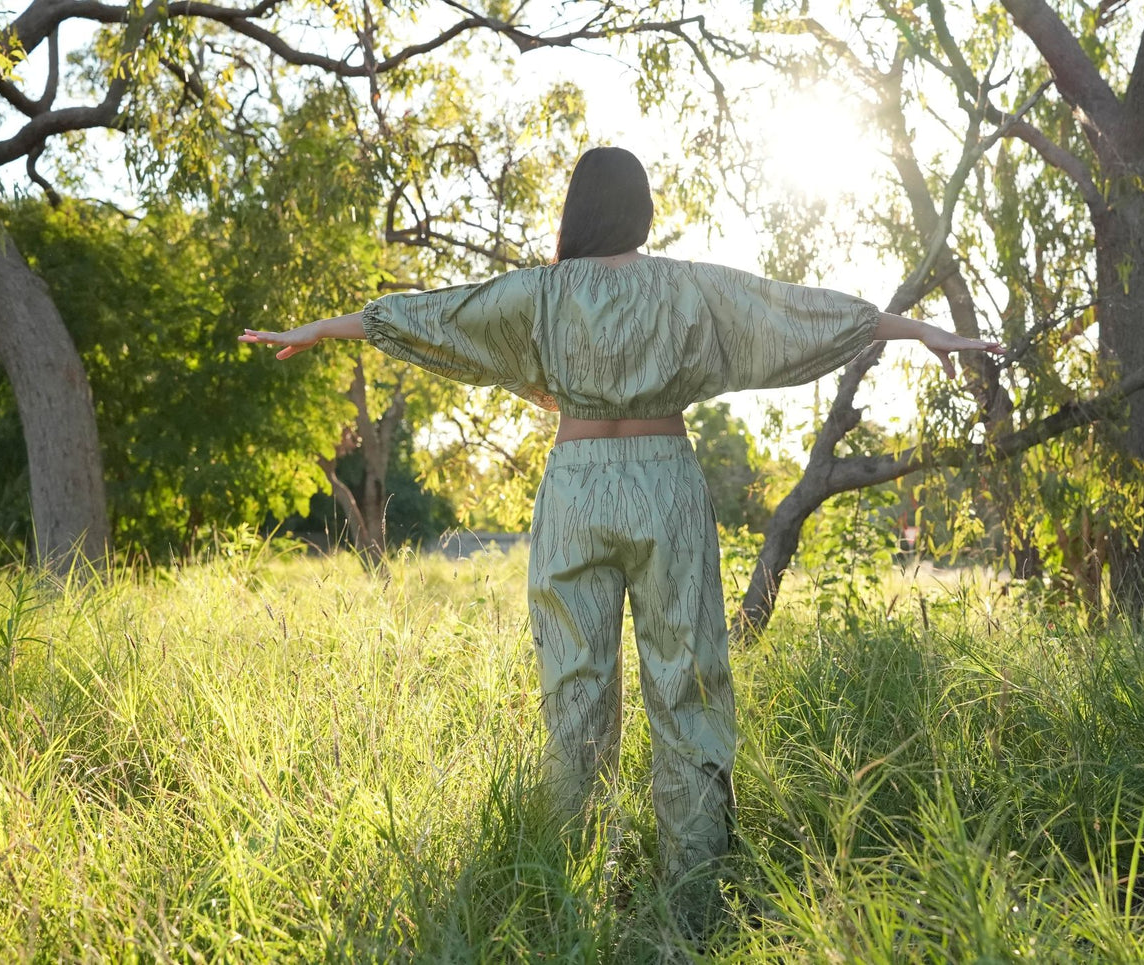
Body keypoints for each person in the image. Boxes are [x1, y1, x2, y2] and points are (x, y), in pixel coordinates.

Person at [240, 146, 1002, 922]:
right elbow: (794, 311)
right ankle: (694, 904)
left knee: (573, 692)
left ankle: (567, 894)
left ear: (577, 210)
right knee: (689, 685)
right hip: (663, 483)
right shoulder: (684, 287)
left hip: (575, 487)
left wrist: (322, 330)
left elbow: (432, 311)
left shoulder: (537, 295)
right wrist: (922, 331)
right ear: (640, 210)